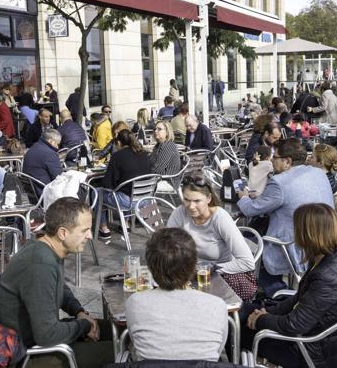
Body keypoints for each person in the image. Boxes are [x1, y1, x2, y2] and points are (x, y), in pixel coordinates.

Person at [0, 197, 114, 368]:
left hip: (41, 340)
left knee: (118, 330)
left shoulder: (48, 247)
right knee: (121, 349)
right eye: (84, 230)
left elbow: (59, 287)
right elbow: (47, 335)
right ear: (63, 233)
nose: (89, 236)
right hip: (29, 354)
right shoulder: (40, 264)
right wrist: (83, 326)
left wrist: (79, 311)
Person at [240, 203, 337, 368]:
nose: (294, 231)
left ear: (309, 234)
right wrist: (267, 312)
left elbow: (295, 325)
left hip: (312, 350)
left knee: (236, 330)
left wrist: (260, 320)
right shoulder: (328, 256)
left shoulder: (328, 276)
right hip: (321, 340)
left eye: (296, 227)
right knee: (241, 313)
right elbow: (299, 298)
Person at [237, 139, 335, 296]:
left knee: (246, 247)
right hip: (327, 239)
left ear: (287, 161)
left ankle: (278, 295)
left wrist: (243, 197)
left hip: (294, 245)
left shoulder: (279, 182)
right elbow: (294, 198)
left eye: (274, 157)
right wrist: (263, 197)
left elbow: (250, 209)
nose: (271, 161)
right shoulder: (317, 172)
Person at [125, 227, 228, 361]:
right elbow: (217, 351)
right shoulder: (217, 305)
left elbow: (135, 341)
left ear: (150, 267)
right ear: (194, 265)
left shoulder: (135, 302)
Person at [168, 173, 257, 300]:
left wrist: (210, 269)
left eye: (197, 201)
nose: (191, 206)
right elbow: (166, 246)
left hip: (221, 276)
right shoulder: (180, 212)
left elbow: (248, 262)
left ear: (208, 198)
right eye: (186, 200)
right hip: (192, 275)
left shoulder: (220, 218)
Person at [98, 130, 150, 240]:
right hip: (146, 200)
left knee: (97, 193)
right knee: (125, 190)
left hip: (128, 201)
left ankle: (104, 229)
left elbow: (107, 184)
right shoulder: (144, 153)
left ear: (119, 143)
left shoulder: (117, 156)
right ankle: (124, 224)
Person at [149, 121, 181, 191]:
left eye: (159, 129)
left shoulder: (168, 146)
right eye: (155, 129)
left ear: (167, 132)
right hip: (159, 178)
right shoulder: (158, 145)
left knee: (137, 184)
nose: (156, 131)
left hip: (168, 181)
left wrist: (143, 174)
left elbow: (158, 168)